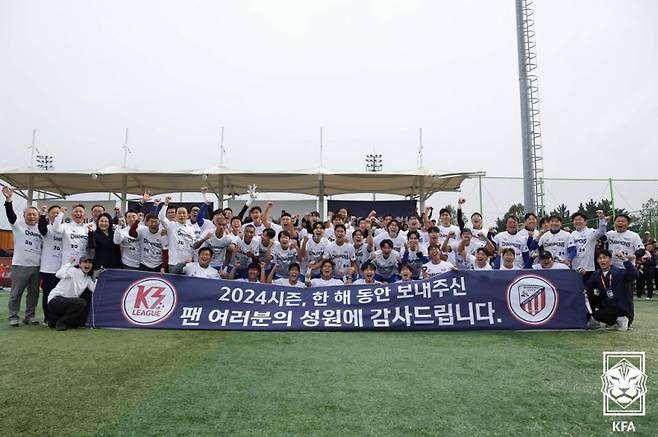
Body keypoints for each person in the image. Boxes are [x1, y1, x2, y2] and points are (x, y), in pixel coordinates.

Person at [3, 186, 43, 326]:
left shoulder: (40, 229)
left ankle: (29, 316)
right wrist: (8, 200)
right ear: (24, 215)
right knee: (16, 293)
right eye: (29, 214)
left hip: (36, 266)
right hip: (20, 265)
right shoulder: (18, 225)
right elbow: (10, 215)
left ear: (38, 217)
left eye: (34, 215)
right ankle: (13, 316)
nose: (32, 217)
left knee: (34, 294)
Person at [605, 214, 645, 326]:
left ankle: (628, 321)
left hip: (626, 270)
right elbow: (601, 237)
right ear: (614, 223)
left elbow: (641, 250)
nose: (620, 223)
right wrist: (603, 222)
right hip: (612, 270)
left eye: (623, 221)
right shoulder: (610, 234)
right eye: (618, 221)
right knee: (611, 296)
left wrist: (634, 255)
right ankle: (613, 320)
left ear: (627, 223)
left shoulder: (633, 235)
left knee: (627, 297)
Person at [584, 250, 638, 331]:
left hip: (620, 307)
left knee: (597, 315)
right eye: (600, 258)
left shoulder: (619, 272)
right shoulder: (597, 274)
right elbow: (587, 287)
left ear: (610, 259)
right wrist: (581, 275)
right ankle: (614, 322)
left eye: (605, 258)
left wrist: (625, 260)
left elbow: (635, 274)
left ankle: (623, 319)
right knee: (589, 296)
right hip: (608, 304)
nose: (602, 260)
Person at [47, 255, 97, 331]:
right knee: (81, 302)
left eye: (90, 263)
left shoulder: (88, 278)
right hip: (55, 300)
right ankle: (61, 323)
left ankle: (54, 321)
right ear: (80, 265)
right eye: (85, 262)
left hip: (68, 303)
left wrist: (97, 277)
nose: (87, 265)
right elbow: (58, 274)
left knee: (79, 323)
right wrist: (69, 263)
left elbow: (95, 290)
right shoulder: (73, 270)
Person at [38, 204, 63, 325]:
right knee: (48, 293)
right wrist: (42, 214)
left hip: (62, 268)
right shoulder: (46, 228)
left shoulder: (64, 228)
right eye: (53, 213)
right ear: (49, 215)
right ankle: (47, 317)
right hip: (48, 268)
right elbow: (41, 228)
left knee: (60, 294)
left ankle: (58, 316)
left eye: (58, 213)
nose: (56, 215)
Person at [159, 196, 196, 274]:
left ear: (188, 215)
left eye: (184, 213)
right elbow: (161, 217)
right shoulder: (171, 226)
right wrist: (166, 204)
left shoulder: (191, 229)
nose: (181, 215)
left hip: (189, 264)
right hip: (174, 263)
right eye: (179, 213)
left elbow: (193, 245)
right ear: (176, 215)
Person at [570, 210, 608, 279]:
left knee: (588, 289)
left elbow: (601, 232)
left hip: (588, 268)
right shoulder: (572, 234)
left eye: (580, 219)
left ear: (585, 221)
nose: (578, 221)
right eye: (575, 220)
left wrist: (602, 218)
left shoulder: (591, 232)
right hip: (574, 268)